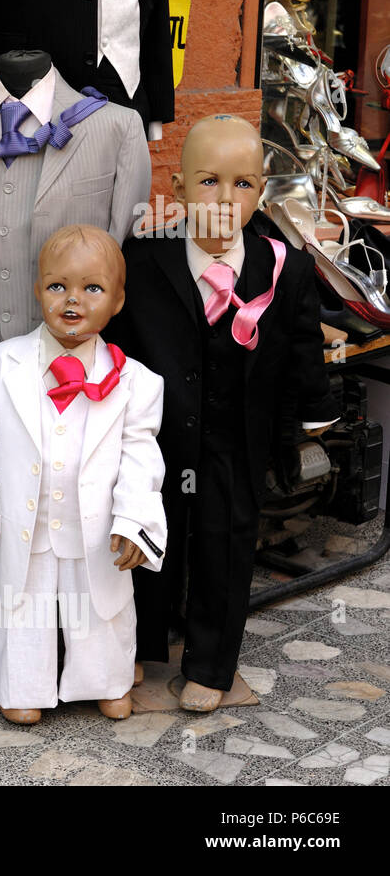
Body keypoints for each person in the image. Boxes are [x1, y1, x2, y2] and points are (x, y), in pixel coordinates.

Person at [106, 114, 338, 712]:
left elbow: (300, 344)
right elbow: (122, 344)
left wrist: (314, 411)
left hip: (239, 435)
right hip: (157, 439)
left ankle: (210, 663)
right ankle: (134, 646)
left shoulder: (285, 267)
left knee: (225, 544)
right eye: (208, 181)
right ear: (178, 189)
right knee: (148, 536)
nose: (225, 199)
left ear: (261, 191)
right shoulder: (145, 258)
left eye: (243, 184)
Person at [0, 225, 166, 725]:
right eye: (57, 286)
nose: (73, 300)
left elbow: (142, 456)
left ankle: (108, 679)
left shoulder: (137, 382)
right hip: (23, 526)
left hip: (93, 531)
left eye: (92, 288)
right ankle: (20, 684)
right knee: (18, 606)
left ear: (117, 301)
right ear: (37, 290)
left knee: (102, 609)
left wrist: (135, 519)